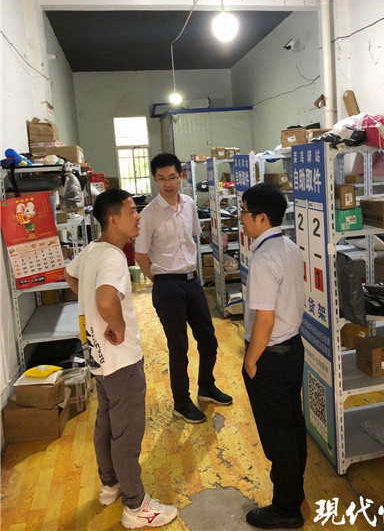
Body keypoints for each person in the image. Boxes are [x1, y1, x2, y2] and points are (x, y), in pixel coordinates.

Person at [64, 189, 177, 529]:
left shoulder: (92, 250)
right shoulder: (113, 257)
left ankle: (110, 484)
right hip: (120, 359)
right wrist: (118, 325)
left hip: (96, 355)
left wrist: (94, 310)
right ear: (113, 220)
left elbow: (70, 275)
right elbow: (105, 300)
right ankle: (136, 505)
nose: (138, 216)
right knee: (126, 432)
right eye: (131, 211)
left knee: (107, 423)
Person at [135, 153, 232, 424]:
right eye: (161, 179)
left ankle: (206, 387)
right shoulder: (148, 214)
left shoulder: (189, 204)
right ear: (155, 180)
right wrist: (159, 281)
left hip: (193, 282)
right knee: (178, 347)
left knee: (209, 340)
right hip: (167, 286)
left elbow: (192, 238)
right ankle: (181, 402)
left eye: (172, 177)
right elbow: (140, 255)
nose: (167, 184)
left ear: (181, 176)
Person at [239, 183, 307, 530]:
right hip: (292, 348)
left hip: (271, 356)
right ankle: (295, 489)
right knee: (292, 424)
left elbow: (264, 321)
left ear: (262, 218)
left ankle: (286, 509)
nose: (241, 218)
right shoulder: (289, 247)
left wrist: (251, 360)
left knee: (277, 434)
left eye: (244, 212)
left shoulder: (265, 259)